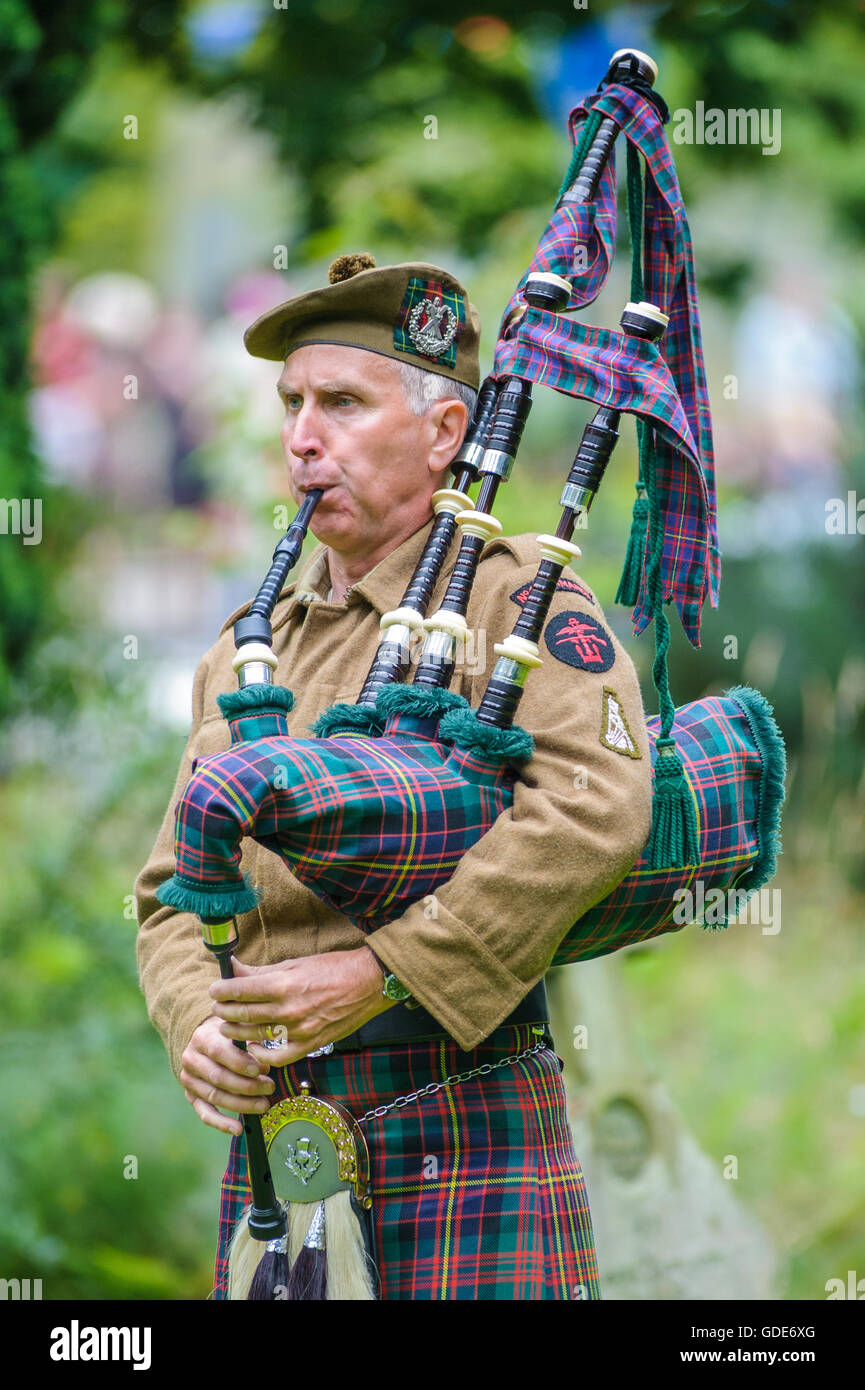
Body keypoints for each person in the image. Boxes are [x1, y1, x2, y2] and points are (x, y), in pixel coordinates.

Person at [135, 253, 653, 1300]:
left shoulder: (522, 605)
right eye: (290, 404)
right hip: (287, 1156)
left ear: (445, 433)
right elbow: (166, 893)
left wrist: (385, 974)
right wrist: (195, 1017)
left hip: (469, 1134)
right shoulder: (247, 649)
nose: (301, 437)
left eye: (340, 403)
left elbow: (596, 810)